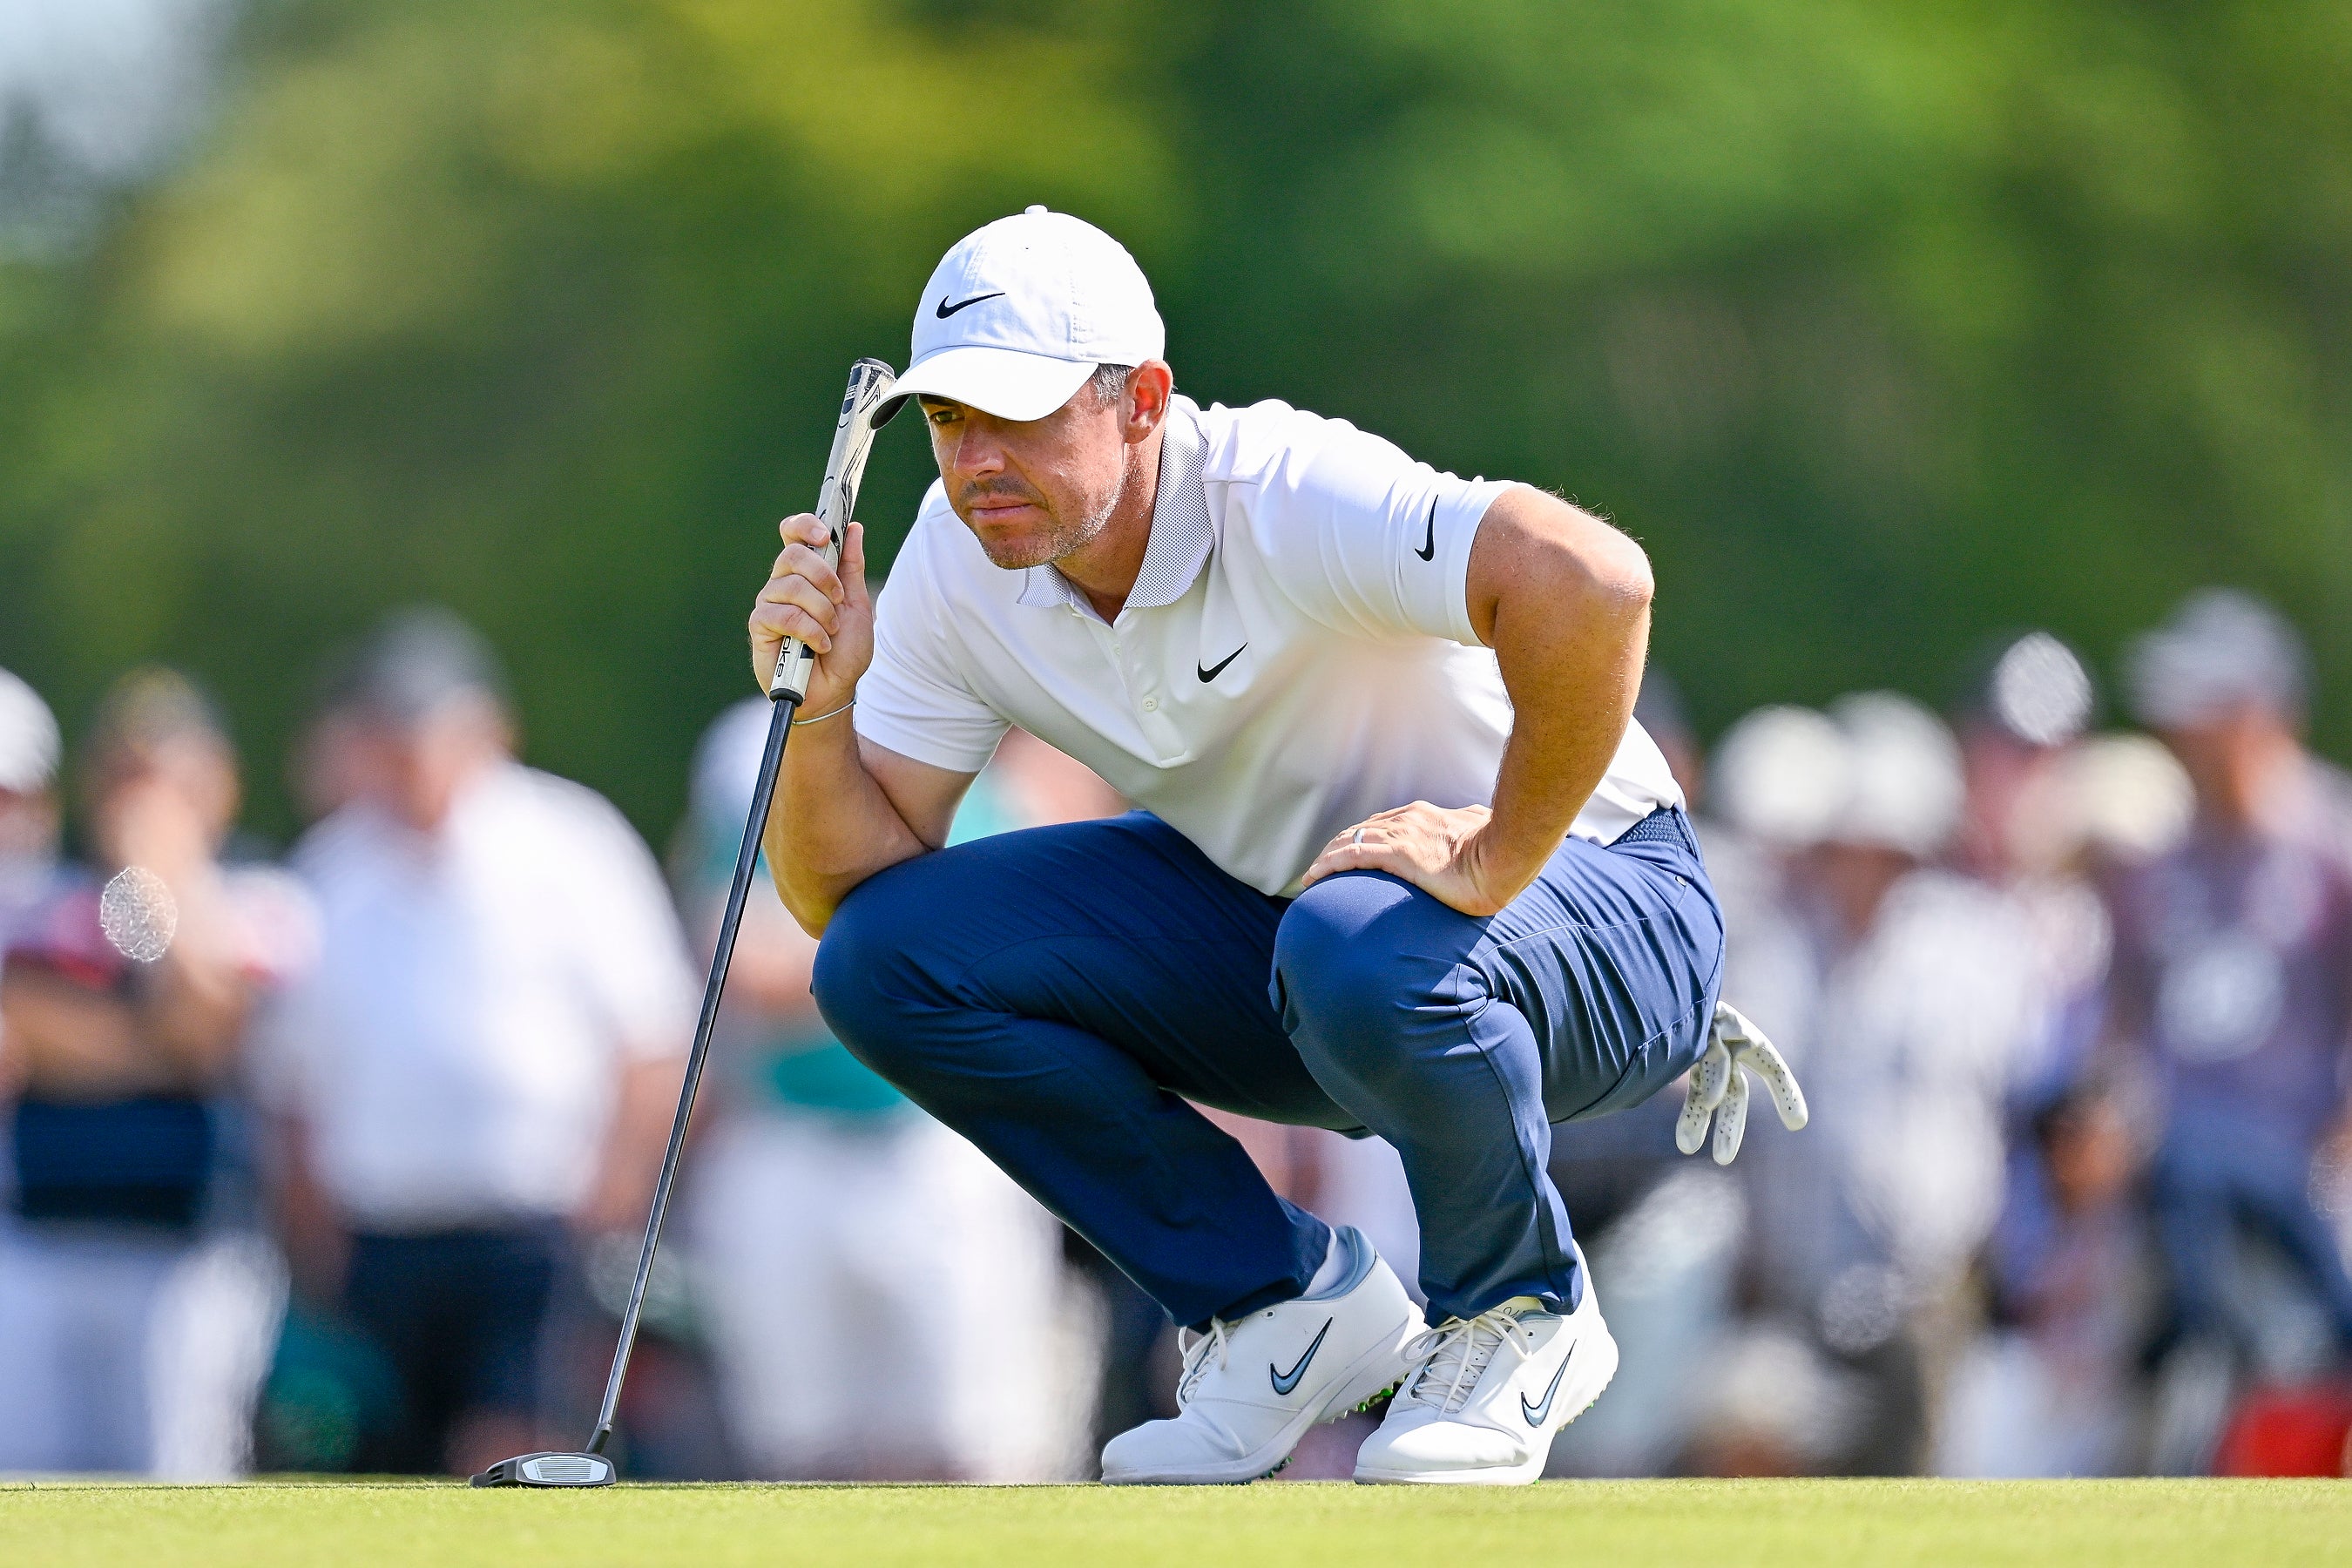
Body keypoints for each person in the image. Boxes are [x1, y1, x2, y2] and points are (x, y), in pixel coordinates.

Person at [745, 208, 1792, 1485]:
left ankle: (1522, 1312)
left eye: (1018, 416)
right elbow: (839, 893)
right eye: (952, 422)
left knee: (1355, 941)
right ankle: (1285, 1306)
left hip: (1614, 904)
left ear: (1140, 401)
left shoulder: (1276, 488)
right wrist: (829, 706)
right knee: (880, 963)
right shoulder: (964, 567)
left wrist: (1497, 851)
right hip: (1319, 946)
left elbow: (1594, 580)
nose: (975, 462)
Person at [259, 609, 695, 1475]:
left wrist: (611, 1202)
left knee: (512, 1455)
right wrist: (314, 1239)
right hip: (381, 1241)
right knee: (391, 1469)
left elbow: (651, 1044)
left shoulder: (571, 844)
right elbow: (294, 1082)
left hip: (532, 1235)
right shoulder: (333, 869)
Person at [679, 701, 1105, 1480]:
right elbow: (744, 963)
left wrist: (862, 969)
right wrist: (908, 974)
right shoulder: (749, 749)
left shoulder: (974, 760)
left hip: (945, 1141)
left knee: (979, 1439)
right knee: (799, 1440)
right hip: (787, 1139)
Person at [0, 669, 308, 1475]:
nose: (142, 797)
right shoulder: (46, 900)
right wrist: (154, 1051)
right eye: (126, 775)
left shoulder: (260, 895)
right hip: (41, 1238)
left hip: (189, 1253)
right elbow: (32, 1027)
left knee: (178, 1476)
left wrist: (160, 876)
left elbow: (204, 1030)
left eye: (168, 775)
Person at [2104, 591, 2352, 1381]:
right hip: (2181, 1196)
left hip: (2313, 1188)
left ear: (2258, 712)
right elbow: (2124, 1026)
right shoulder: (2159, 862)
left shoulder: (2330, 849)